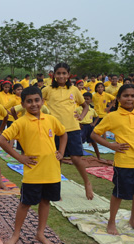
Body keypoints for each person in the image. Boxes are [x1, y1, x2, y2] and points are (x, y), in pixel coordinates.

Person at [0, 86, 67, 244]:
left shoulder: (51, 119)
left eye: (37, 100)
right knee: (25, 204)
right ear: (23, 104)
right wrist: (20, 157)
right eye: (29, 101)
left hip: (52, 172)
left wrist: (61, 152)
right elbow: (1, 140)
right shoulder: (20, 123)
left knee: (45, 201)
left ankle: (40, 233)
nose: (34, 104)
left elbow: (63, 134)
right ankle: (16, 234)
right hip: (33, 173)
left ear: (42, 101)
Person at [91, 84, 134, 235]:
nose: (129, 99)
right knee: (119, 193)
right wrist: (111, 146)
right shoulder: (113, 116)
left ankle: (133, 220)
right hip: (124, 162)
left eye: (132, 96)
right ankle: (111, 222)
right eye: (125, 96)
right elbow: (94, 134)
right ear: (118, 98)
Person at [42, 63, 93, 200]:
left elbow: (85, 106)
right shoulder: (47, 90)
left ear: (68, 75)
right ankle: (55, 189)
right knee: (56, 159)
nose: (61, 76)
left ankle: (87, 183)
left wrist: (81, 117)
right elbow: (38, 103)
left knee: (76, 158)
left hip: (73, 129)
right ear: (54, 75)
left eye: (64, 73)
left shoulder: (74, 90)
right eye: (58, 73)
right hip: (54, 130)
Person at [77, 92, 100, 159]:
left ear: (91, 100)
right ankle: (79, 157)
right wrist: (78, 124)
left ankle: (98, 157)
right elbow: (74, 117)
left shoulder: (92, 110)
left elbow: (97, 117)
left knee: (93, 142)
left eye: (87, 99)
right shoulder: (78, 109)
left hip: (89, 127)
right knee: (80, 142)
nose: (86, 100)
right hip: (82, 126)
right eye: (84, 99)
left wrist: (94, 124)